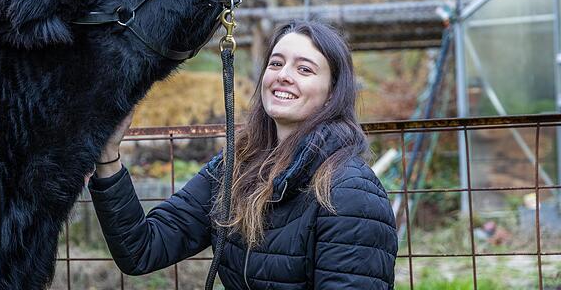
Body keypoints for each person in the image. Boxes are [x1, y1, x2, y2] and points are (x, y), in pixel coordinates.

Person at [88, 20, 398, 289]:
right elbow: (142, 248)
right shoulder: (235, 167)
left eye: (304, 69)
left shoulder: (349, 192)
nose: (283, 75)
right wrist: (107, 156)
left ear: (332, 92)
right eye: (276, 64)